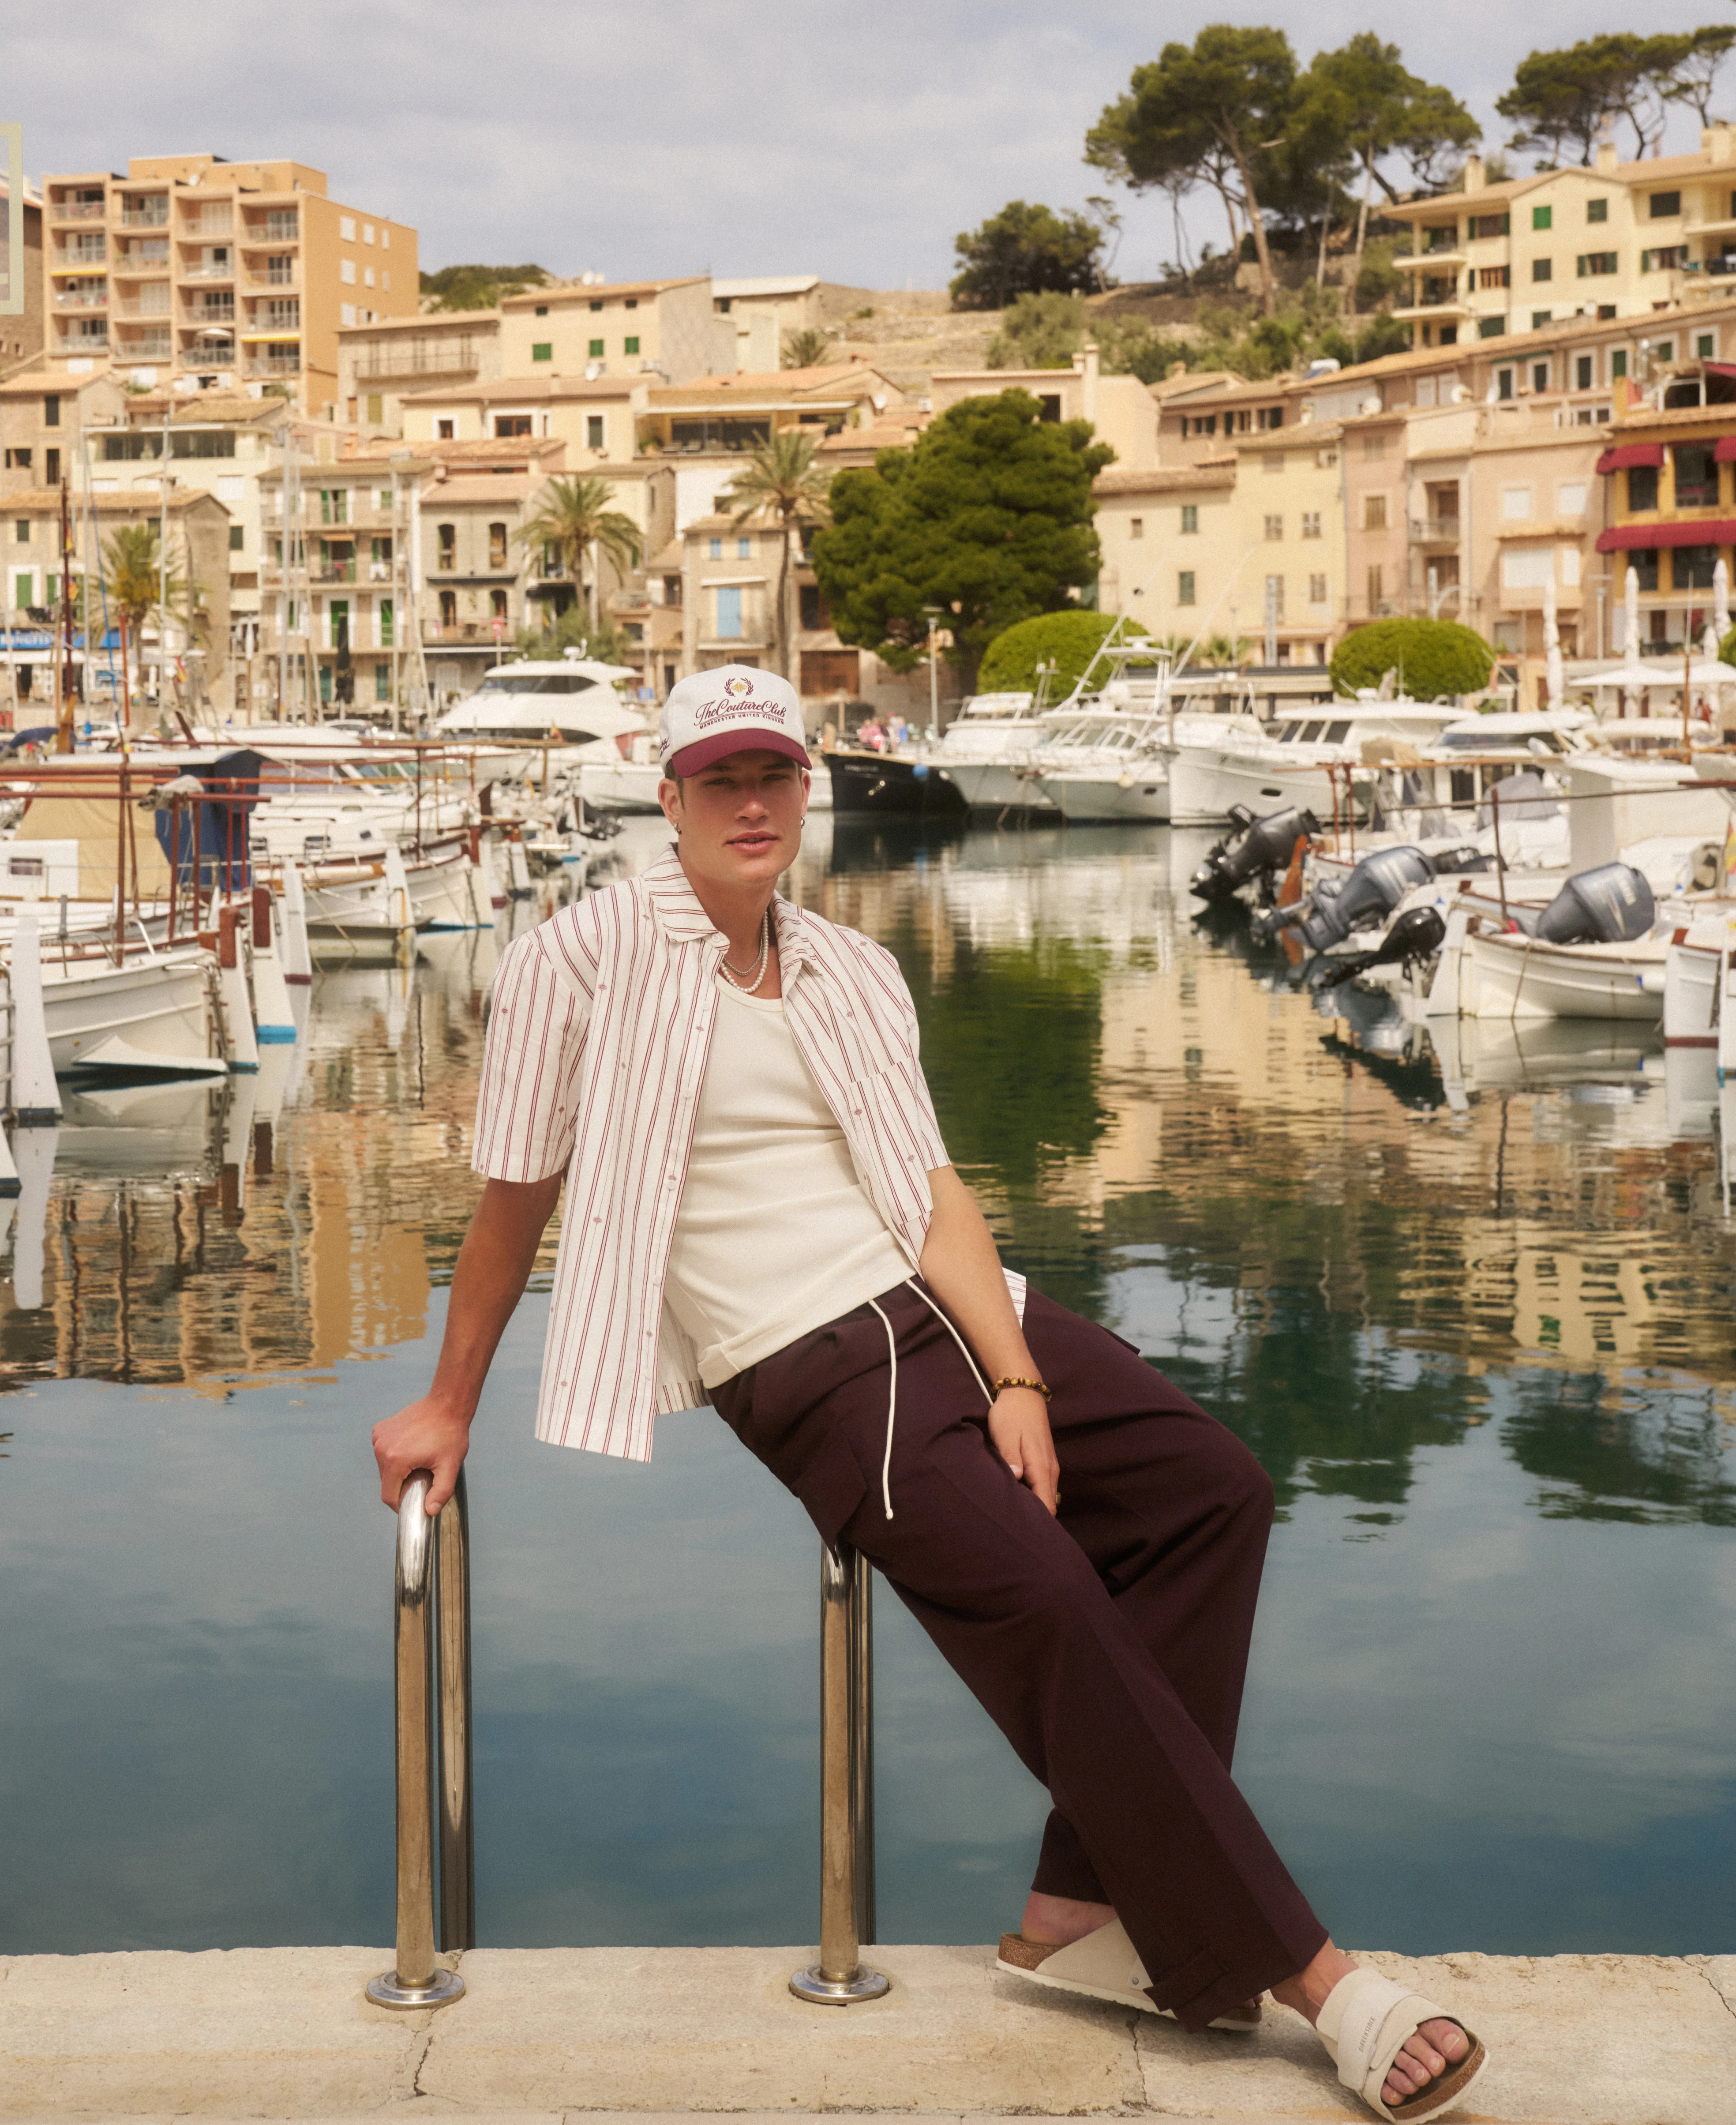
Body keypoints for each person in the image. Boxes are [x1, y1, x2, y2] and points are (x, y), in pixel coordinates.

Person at [373, 664, 1488, 2122]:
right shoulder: (573, 962)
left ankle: (1082, 1909)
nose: (755, 802)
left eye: (775, 773)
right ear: (670, 801)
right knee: (1050, 1604)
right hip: (803, 1357)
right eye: (722, 779)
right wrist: (448, 1402)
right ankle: (1315, 1980)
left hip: (950, 1311)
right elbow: (511, 1207)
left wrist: (1016, 1372)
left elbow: (932, 1191)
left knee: (1214, 1492)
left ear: (806, 786)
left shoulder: (852, 970)